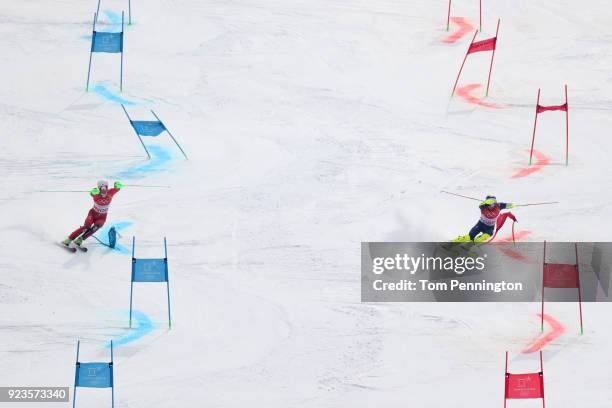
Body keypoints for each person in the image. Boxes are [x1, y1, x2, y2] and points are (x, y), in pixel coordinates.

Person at [62, 180, 123, 248]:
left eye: (105, 187)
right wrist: (93, 192)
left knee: (97, 226)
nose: (104, 190)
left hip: (102, 216)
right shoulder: (96, 194)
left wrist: (117, 185)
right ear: (99, 188)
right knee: (87, 226)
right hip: (93, 213)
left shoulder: (110, 192)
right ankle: (69, 239)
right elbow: (92, 193)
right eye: (102, 188)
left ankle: (80, 239)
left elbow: (117, 188)